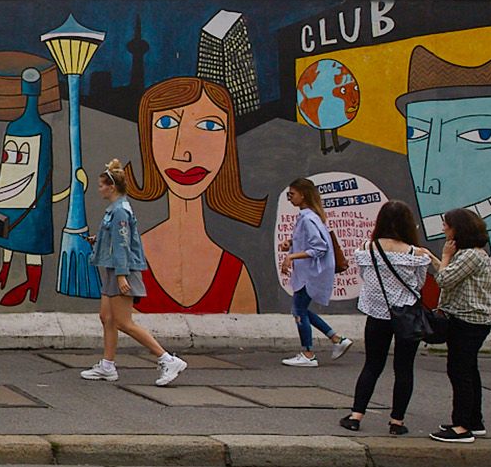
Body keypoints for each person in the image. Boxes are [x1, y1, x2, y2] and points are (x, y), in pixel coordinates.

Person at [124, 77, 264, 314]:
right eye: (166, 123)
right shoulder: (133, 255)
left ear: (228, 143)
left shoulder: (234, 273)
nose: (183, 153)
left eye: (209, 126)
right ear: (147, 138)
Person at [79, 159, 190, 387]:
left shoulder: (120, 211)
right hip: (114, 268)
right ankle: (107, 366)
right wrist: (98, 240)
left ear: (111, 187)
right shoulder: (115, 209)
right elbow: (117, 240)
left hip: (122, 270)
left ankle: (167, 360)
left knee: (123, 322)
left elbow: (123, 245)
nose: (99, 189)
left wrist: (122, 275)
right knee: (107, 317)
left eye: (101, 185)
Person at [342, 200, 434, 435]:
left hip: (377, 314)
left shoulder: (367, 249)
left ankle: (355, 416)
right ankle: (397, 422)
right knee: (404, 369)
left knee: (372, 365)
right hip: (407, 316)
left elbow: (366, 277)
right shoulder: (416, 254)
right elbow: (419, 284)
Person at [431, 208, 491, 443]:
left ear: (458, 229)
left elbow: (444, 280)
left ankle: (462, 426)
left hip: (467, 320)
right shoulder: (475, 255)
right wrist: (436, 259)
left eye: (447, 225)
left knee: (459, 372)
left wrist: (445, 256)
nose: (444, 228)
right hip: (473, 320)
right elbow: (451, 275)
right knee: (469, 370)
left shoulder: (469, 255)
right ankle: (474, 421)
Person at [279, 177, 353, 366]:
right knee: (300, 309)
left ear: (303, 195)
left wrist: (291, 256)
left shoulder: (308, 219)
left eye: (292, 194)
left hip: (310, 274)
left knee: (298, 310)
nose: (289, 198)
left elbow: (319, 248)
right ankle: (336, 339)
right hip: (309, 273)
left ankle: (308, 353)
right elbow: (310, 241)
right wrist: (291, 243)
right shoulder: (310, 216)